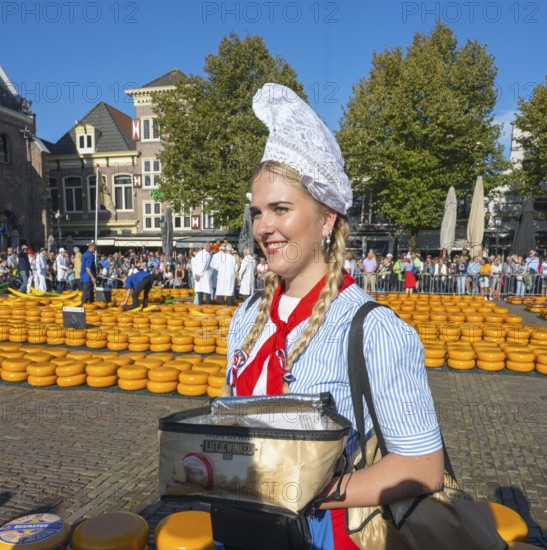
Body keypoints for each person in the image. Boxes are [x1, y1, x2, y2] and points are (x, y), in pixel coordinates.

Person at [224, 83, 443, 548]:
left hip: (328, 535)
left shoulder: (373, 330)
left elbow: (423, 467)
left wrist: (314, 491)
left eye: (280, 209)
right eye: (258, 211)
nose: (263, 227)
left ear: (326, 219)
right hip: (242, 531)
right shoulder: (245, 318)